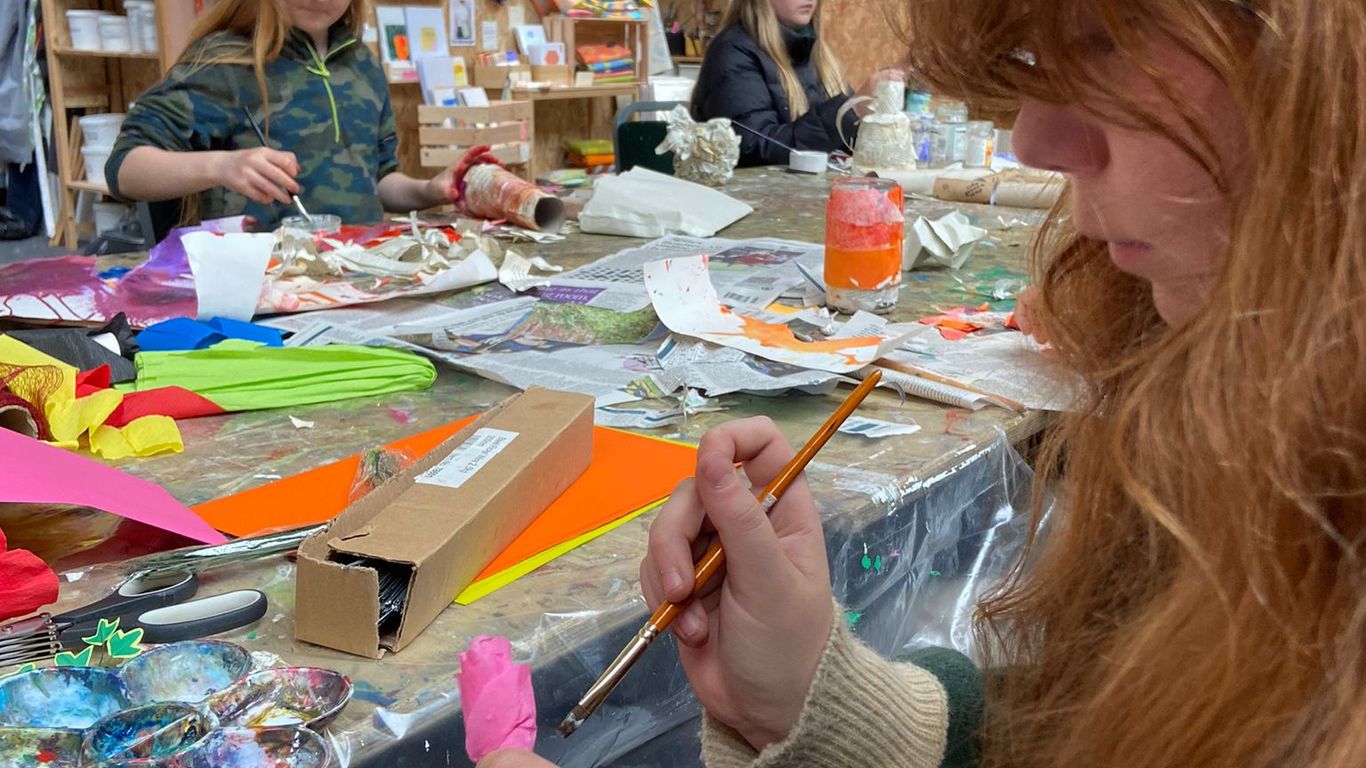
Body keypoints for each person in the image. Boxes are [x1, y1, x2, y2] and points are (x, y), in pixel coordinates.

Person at [481, 0, 1365, 766]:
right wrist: (813, 700)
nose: (1034, 139)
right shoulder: (1227, 417)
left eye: (1103, 41)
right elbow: (1091, 730)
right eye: (1039, 60)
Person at [106, 0, 453, 238]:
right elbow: (125, 169)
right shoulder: (226, 62)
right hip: (263, 290)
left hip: (360, 280)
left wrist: (428, 190)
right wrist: (221, 166)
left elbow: (378, 180)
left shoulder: (362, 64)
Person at [691, 0, 901, 167]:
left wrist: (875, 114)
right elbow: (754, 149)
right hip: (750, 201)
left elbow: (845, 146)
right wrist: (850, 110)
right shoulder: (733, 51)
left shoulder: (818, 55)